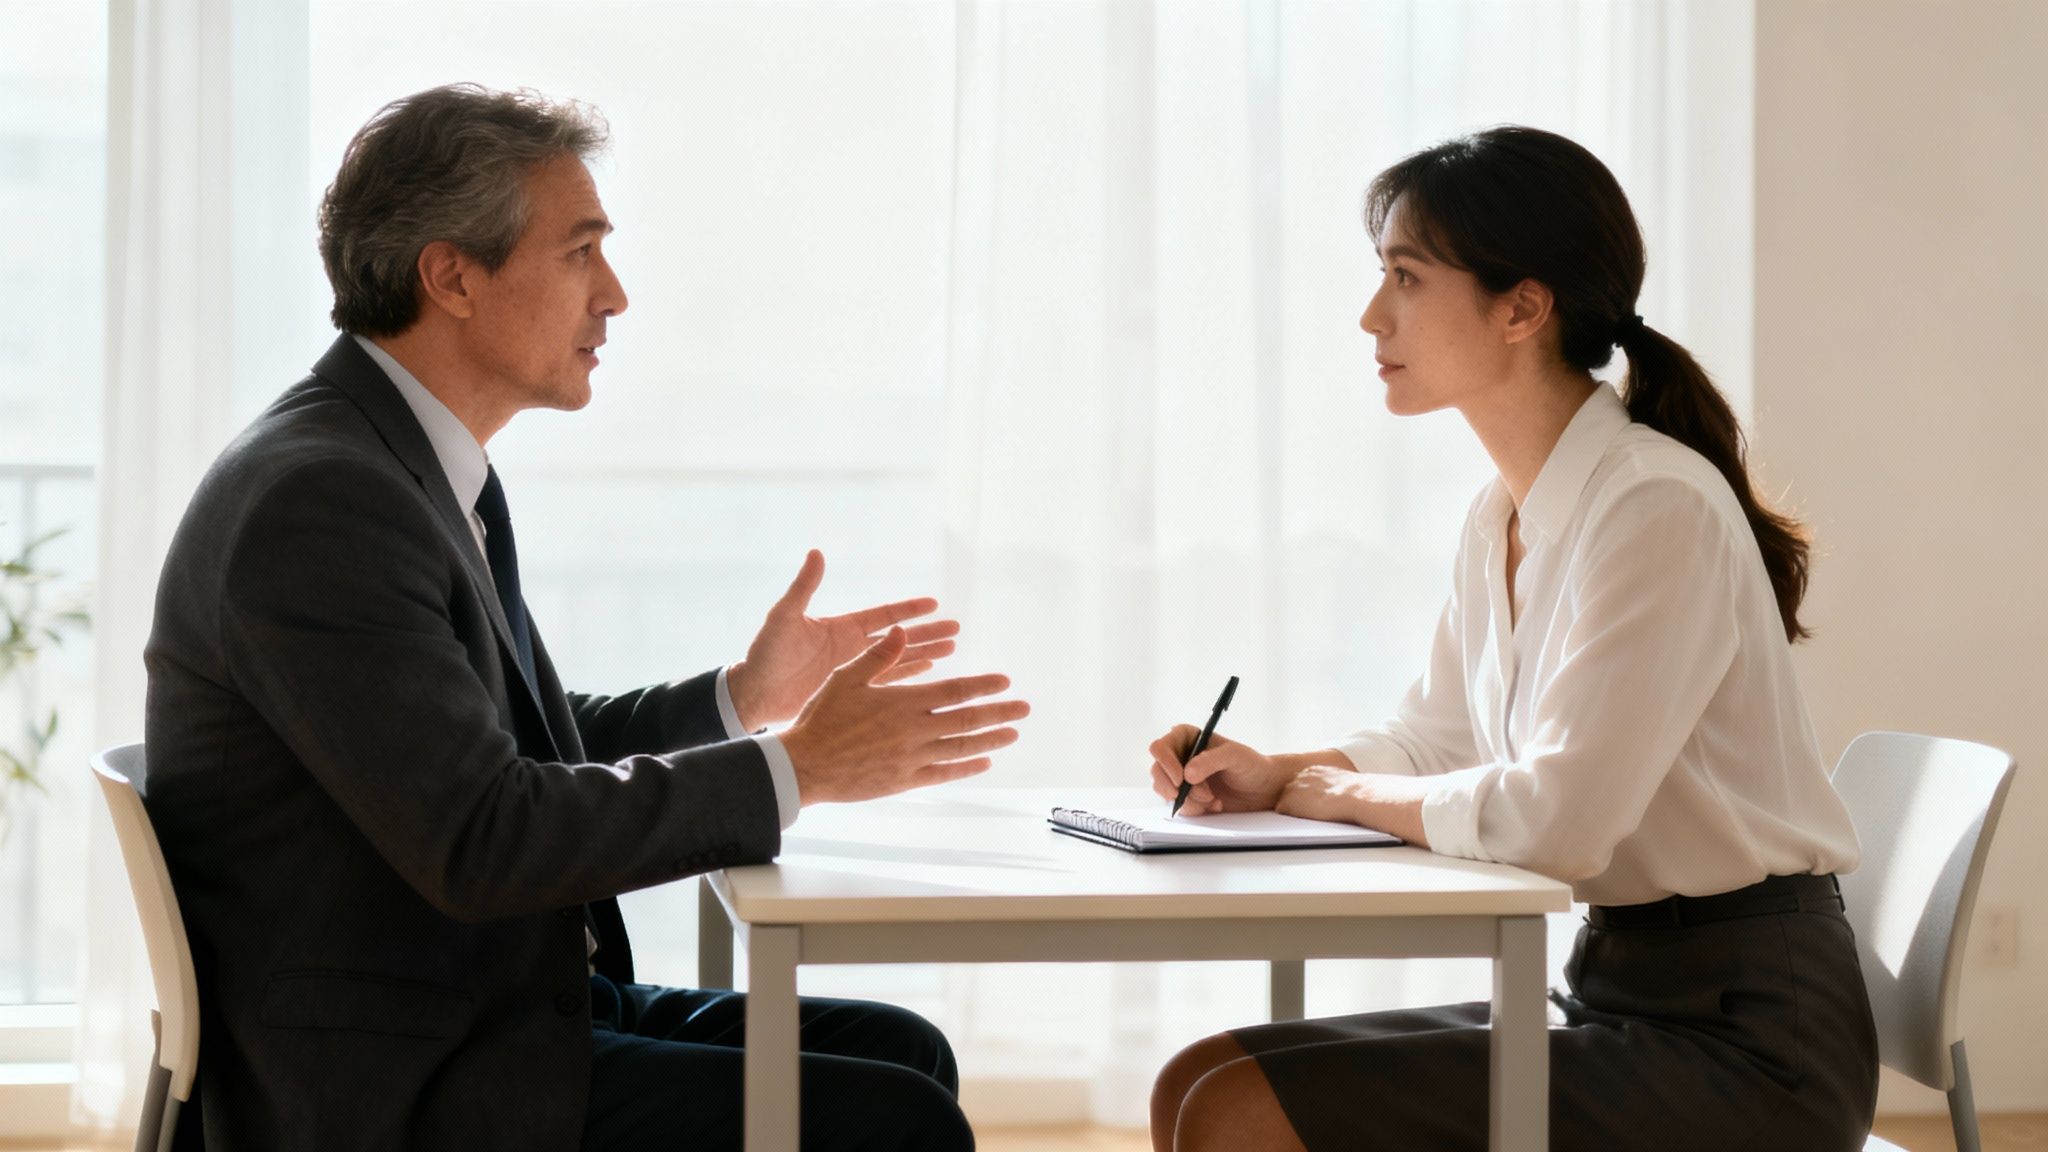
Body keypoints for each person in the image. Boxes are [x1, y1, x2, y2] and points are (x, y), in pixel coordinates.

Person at [142, 83, 1025, 1152]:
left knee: (901, 1052)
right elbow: (484, 837)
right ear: (451, 276)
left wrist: (740, 700)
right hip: (393, 1080)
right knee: (893, 1117)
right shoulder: (321, 502)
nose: (613, 295)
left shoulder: (399, 468)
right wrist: (796, 769)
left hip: (473, 1013)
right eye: (580, 251)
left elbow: (503, 755)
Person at [1143, 126, 1879, 1151]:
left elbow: (1555, 823)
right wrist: (1277, 770)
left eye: (1403, 277)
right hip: (1616, 992)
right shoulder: (1504, 512)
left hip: (1749, 1044)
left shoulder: (1651, 505)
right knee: (1200, 1076)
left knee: (1235, 1107)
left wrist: (1324, 794)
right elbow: (1436, 740)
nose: (1370, 315)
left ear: (1521, 307)